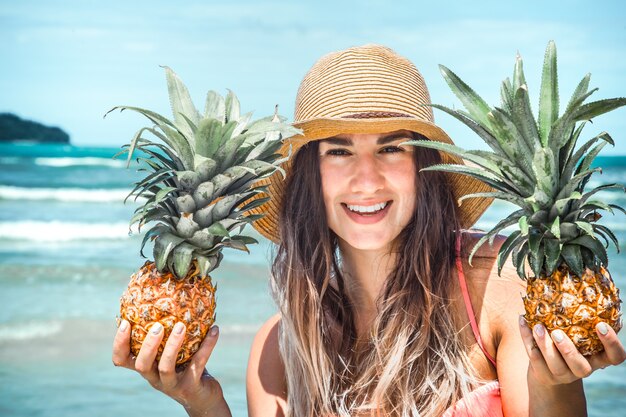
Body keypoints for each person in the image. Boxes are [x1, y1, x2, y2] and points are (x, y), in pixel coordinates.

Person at [112, 44, 626, 416]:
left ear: (426, 167)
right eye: (338, 150)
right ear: (308, 177)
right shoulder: (278, 348)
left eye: (391, 147)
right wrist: (203, 404)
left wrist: (554, 384)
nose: (366, 178)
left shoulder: (497, 288)